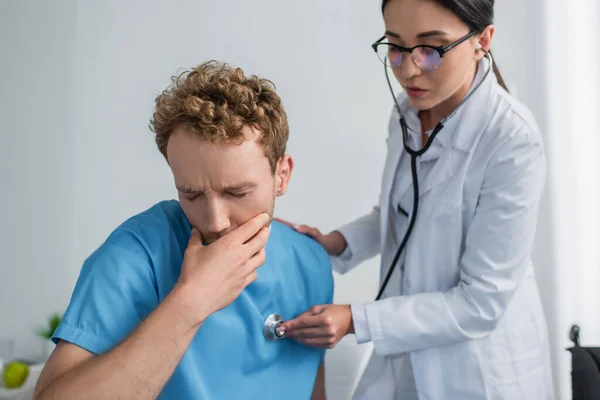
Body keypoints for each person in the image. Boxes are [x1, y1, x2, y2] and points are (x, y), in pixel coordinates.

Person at [276, 0, 555, 399]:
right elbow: (404, 211)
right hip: (408, 348)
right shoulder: (407, 113)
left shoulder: (512, 140)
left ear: (483, 40)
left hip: (479, 369)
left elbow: (480, 303)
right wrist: (335, 244)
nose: (408, 69)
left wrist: (356, 319)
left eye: (431, 49)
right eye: (395, 46)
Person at [33, 61, 332, 400]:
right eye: (192, 194)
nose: (215, 221)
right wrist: (192, 299)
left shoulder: (311, 261)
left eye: (237, 193)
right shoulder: (134, 256)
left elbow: (309, 386)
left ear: (282, 175)